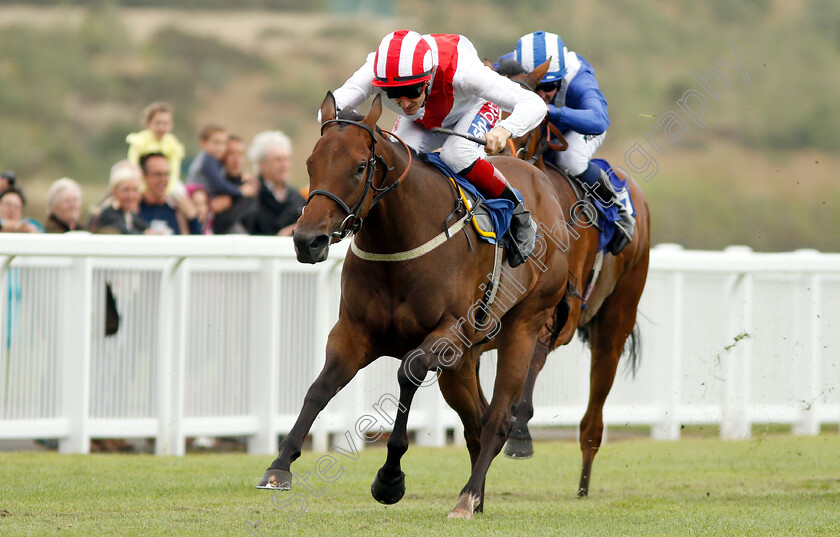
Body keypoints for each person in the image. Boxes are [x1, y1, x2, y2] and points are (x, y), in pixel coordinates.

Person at [331, 30, 547, 266]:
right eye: (393, 94)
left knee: (456, 154)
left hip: (472, 108)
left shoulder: (464, 73)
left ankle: (518, 213)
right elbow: (330, 107)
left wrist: (504, 130)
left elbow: (535, 104)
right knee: (394, 163)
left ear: (428, 77)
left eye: (411, 91)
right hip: (423, 120)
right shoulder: (377, 68)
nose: (403, 103)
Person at [505, 30, 634, 254]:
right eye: (535, 86)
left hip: (578, 127)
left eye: (550, 86)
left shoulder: (578, 78)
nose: (541, 93)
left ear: (562, 79)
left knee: (570, 159)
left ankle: (618, 202)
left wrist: (551, 111)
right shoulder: (511, 66)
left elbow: (599, 120)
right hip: (539, 126)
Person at [246, 130, 305, 237]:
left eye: (286, 159)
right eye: (278, 160)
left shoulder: (297, 197)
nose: (284, 165)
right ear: (262, 164)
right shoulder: (252, 197)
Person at [126, 102, 186, 197]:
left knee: (180, 192)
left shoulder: (172, 144)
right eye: (158, 123)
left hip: (164, 184)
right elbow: (133, 166)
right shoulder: (140, 141)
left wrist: (167, 191)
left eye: (165, 124)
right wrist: (143, 189)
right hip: (142, 183)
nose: (161, 128)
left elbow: (174, 170)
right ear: (148, 123)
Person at [139, 153, 202, 235]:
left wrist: (192, 217)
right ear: (144, 176)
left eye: (167, 174)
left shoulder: (177, 208)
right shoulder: (135, 208)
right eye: (158, 174)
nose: (163, 180)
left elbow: (196, 243)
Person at [210, 134, 257, 234]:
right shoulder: (213, 183)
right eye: (231, 153)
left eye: (240, 154)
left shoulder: (248, 184)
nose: (236, 159)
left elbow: (228, 220)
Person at [89, 161, 148, 234]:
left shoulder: (129, 214)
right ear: (114, 192)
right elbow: (124, 233)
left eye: (135, 190)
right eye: (126, 190)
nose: (131, 196)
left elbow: (145, 228)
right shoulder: (108, 214)